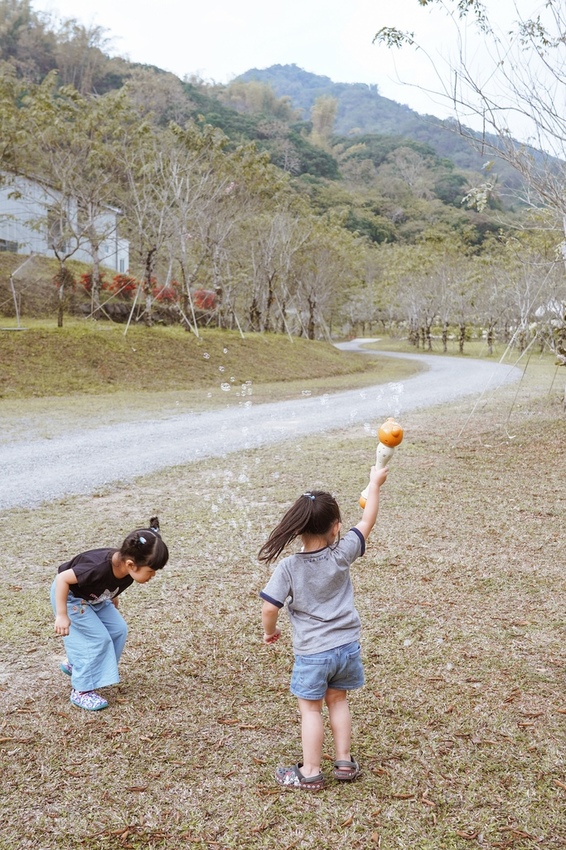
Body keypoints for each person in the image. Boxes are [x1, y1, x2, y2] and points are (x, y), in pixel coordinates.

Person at [258, 466, 388, 791]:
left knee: (311, 710)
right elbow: (368, 520)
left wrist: (269, 631)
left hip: (313, 653)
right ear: (336, 527)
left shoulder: (289, 567)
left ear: (299, 528)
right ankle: (344, 762)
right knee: (339, 700)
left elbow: (269, 607)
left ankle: (311, 771)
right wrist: (373, 483)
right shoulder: (342, 552)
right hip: (347, 648)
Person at [51, 517, 169, 711]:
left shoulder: (125, 570)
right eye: (151, 571)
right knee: (97, 639)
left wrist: (113, 599)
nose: (153, 576)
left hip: (95, 599)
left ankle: (77, 664)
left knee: (118, 629)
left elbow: (112, 586)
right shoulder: (97, 567)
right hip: (70, 597)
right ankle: (81, 690)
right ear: (131, 565)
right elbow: (62, 578)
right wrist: (62, 614)